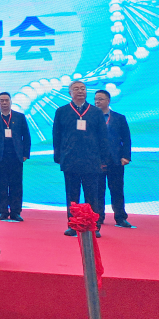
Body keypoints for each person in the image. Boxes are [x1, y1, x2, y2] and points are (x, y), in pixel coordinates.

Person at [52, 81, 111, 237]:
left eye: (83, 89)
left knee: (92, 196)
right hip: (70, 160)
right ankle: (73, 225)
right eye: (76, 89)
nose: (80, 91)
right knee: (72, 195)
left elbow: (103, 137)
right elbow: (56, 136)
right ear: (70, 93)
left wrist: (103, 159)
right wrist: (59, 156)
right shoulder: (62, 111)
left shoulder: (95, 112)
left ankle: (93, 226)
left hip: (91, 160)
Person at [0, 92, 31, 222]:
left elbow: (26, 136)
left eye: (6, 100)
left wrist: (25, 154)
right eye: (2, 100)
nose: (4, 103)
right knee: (1, 184)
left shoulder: (20, 117)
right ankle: (3, 211)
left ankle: (16, 212)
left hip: (16, 155)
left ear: (11, 102)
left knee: (16, 185)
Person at [94, 89, 135, 229]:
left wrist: (126, 156)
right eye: (96, 99)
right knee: (98, 191)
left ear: (108, 101)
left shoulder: (119, 118)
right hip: (97, 160)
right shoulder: (90, 118)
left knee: (117, 190)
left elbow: (126, 139)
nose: (97, 102)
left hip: (115, 160)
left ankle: (120, 218)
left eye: (100, 99)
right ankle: (98, 217)